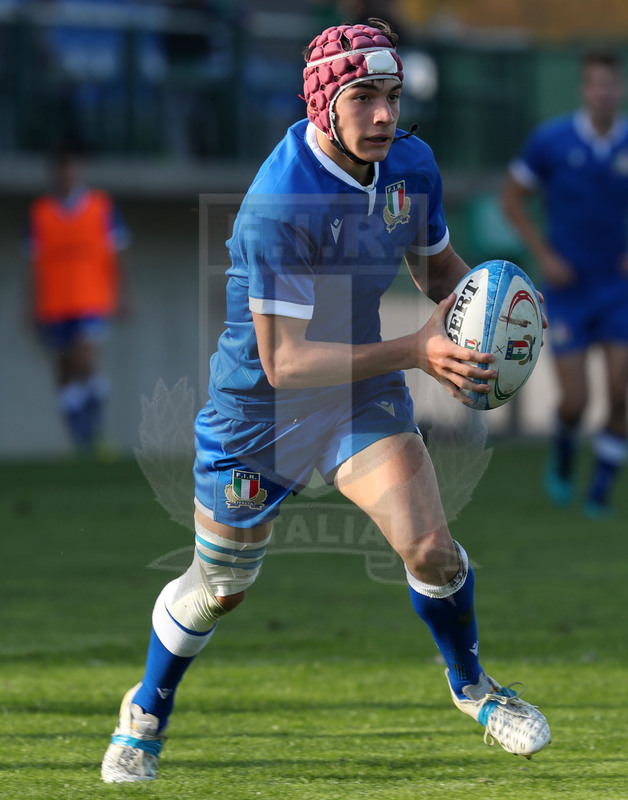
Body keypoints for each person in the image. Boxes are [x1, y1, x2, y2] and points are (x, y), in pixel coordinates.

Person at [101, 19, 550, 783]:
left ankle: (474, 688)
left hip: (358, 398)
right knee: (220, 589)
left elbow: (441, 275)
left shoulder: (410, 166)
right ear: (323, 104)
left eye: (393, 97)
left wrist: (502, 322)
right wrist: (416, 350)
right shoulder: (282, 200)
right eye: (364, 98)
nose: (383, 115)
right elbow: (284, 363)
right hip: (258, 417)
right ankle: (145, 708)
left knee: (432, 552)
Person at [502, 51, 628, 518]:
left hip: (617, 288)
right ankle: (565, 448)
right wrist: (545, 255)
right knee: (575, 401)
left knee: (620, 393)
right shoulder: (552, 141)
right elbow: (512, 198)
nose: (603, 92)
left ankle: (599, 490)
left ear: (618, 89)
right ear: (584, 89)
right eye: (595, 84)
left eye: (610, 84)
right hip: (569, 290)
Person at [27, 150, 130, 452]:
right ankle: (80, 440)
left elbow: (118, 250)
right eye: (61, 169)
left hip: (91, 298)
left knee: (83, 358)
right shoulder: (41, 212)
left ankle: (94, 427)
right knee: (63, 371)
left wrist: (124, 292)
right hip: (54, 302)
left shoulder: (100, 206)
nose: (66, 174)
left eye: (71, 168)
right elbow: (33, 261)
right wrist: (30, 305)